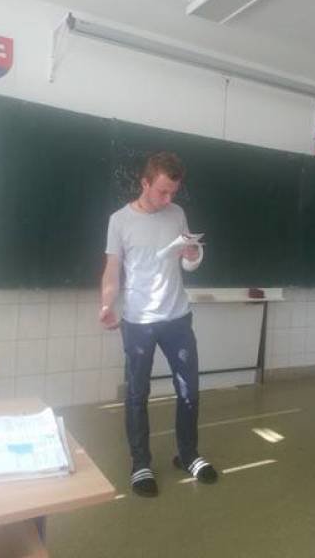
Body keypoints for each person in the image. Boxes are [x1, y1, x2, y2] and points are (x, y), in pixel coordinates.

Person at [99, 151, 217, 497]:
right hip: (138, 321)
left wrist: (193, 255)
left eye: (173, 192)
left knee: (189, 390)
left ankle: (188, 455)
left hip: (177, 317)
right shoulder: (119, 221)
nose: (168, 199)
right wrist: (106, 303)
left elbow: (188, 262)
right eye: (162, 191)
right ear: (145, 182)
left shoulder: (177, 213)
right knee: (137, 394)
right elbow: (112, 269)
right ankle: (141, 464)